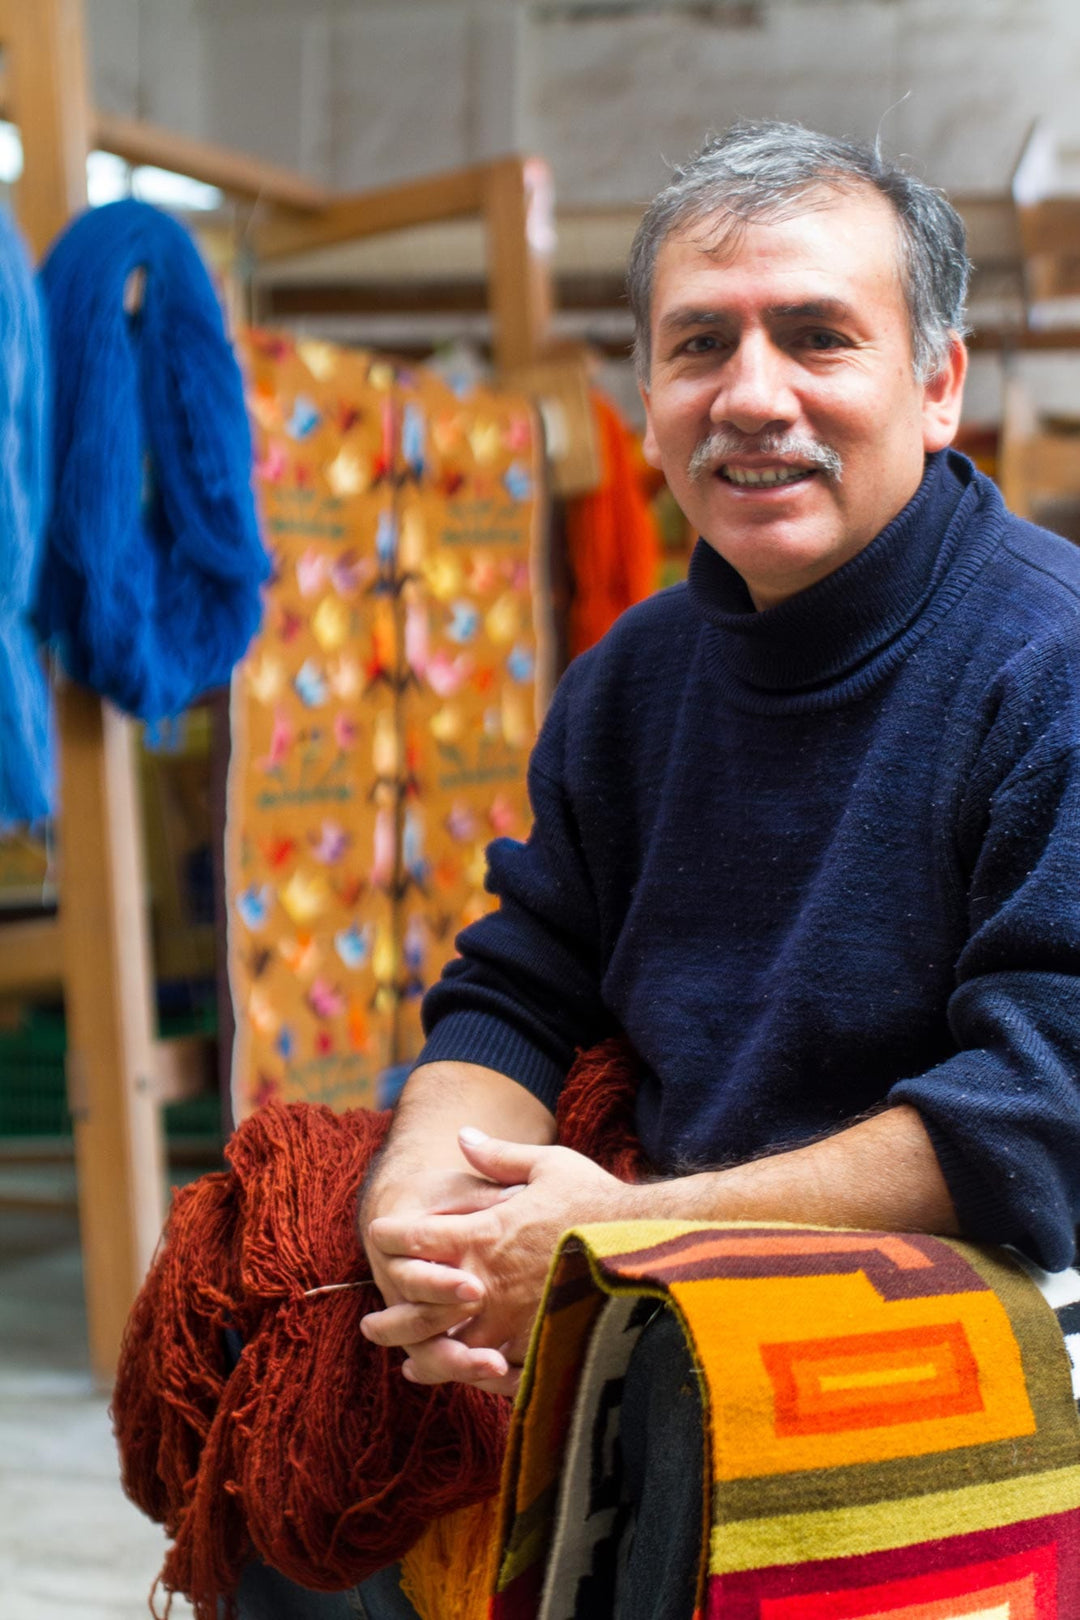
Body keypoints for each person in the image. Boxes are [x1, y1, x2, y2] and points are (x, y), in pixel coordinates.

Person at [247, 120, 1080, 1615]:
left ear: (938, 383)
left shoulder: (1055, 661)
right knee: (293, 1392)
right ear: (648, 398)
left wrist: (607, 1241)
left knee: (669, 1408)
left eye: (819, 337)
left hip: (1009, 1268)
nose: (753, 396)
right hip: (675, 1240)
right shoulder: (634, 678)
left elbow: (1045, 1113)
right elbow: (515, 987)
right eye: (703, 344)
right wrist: (427, 1229)